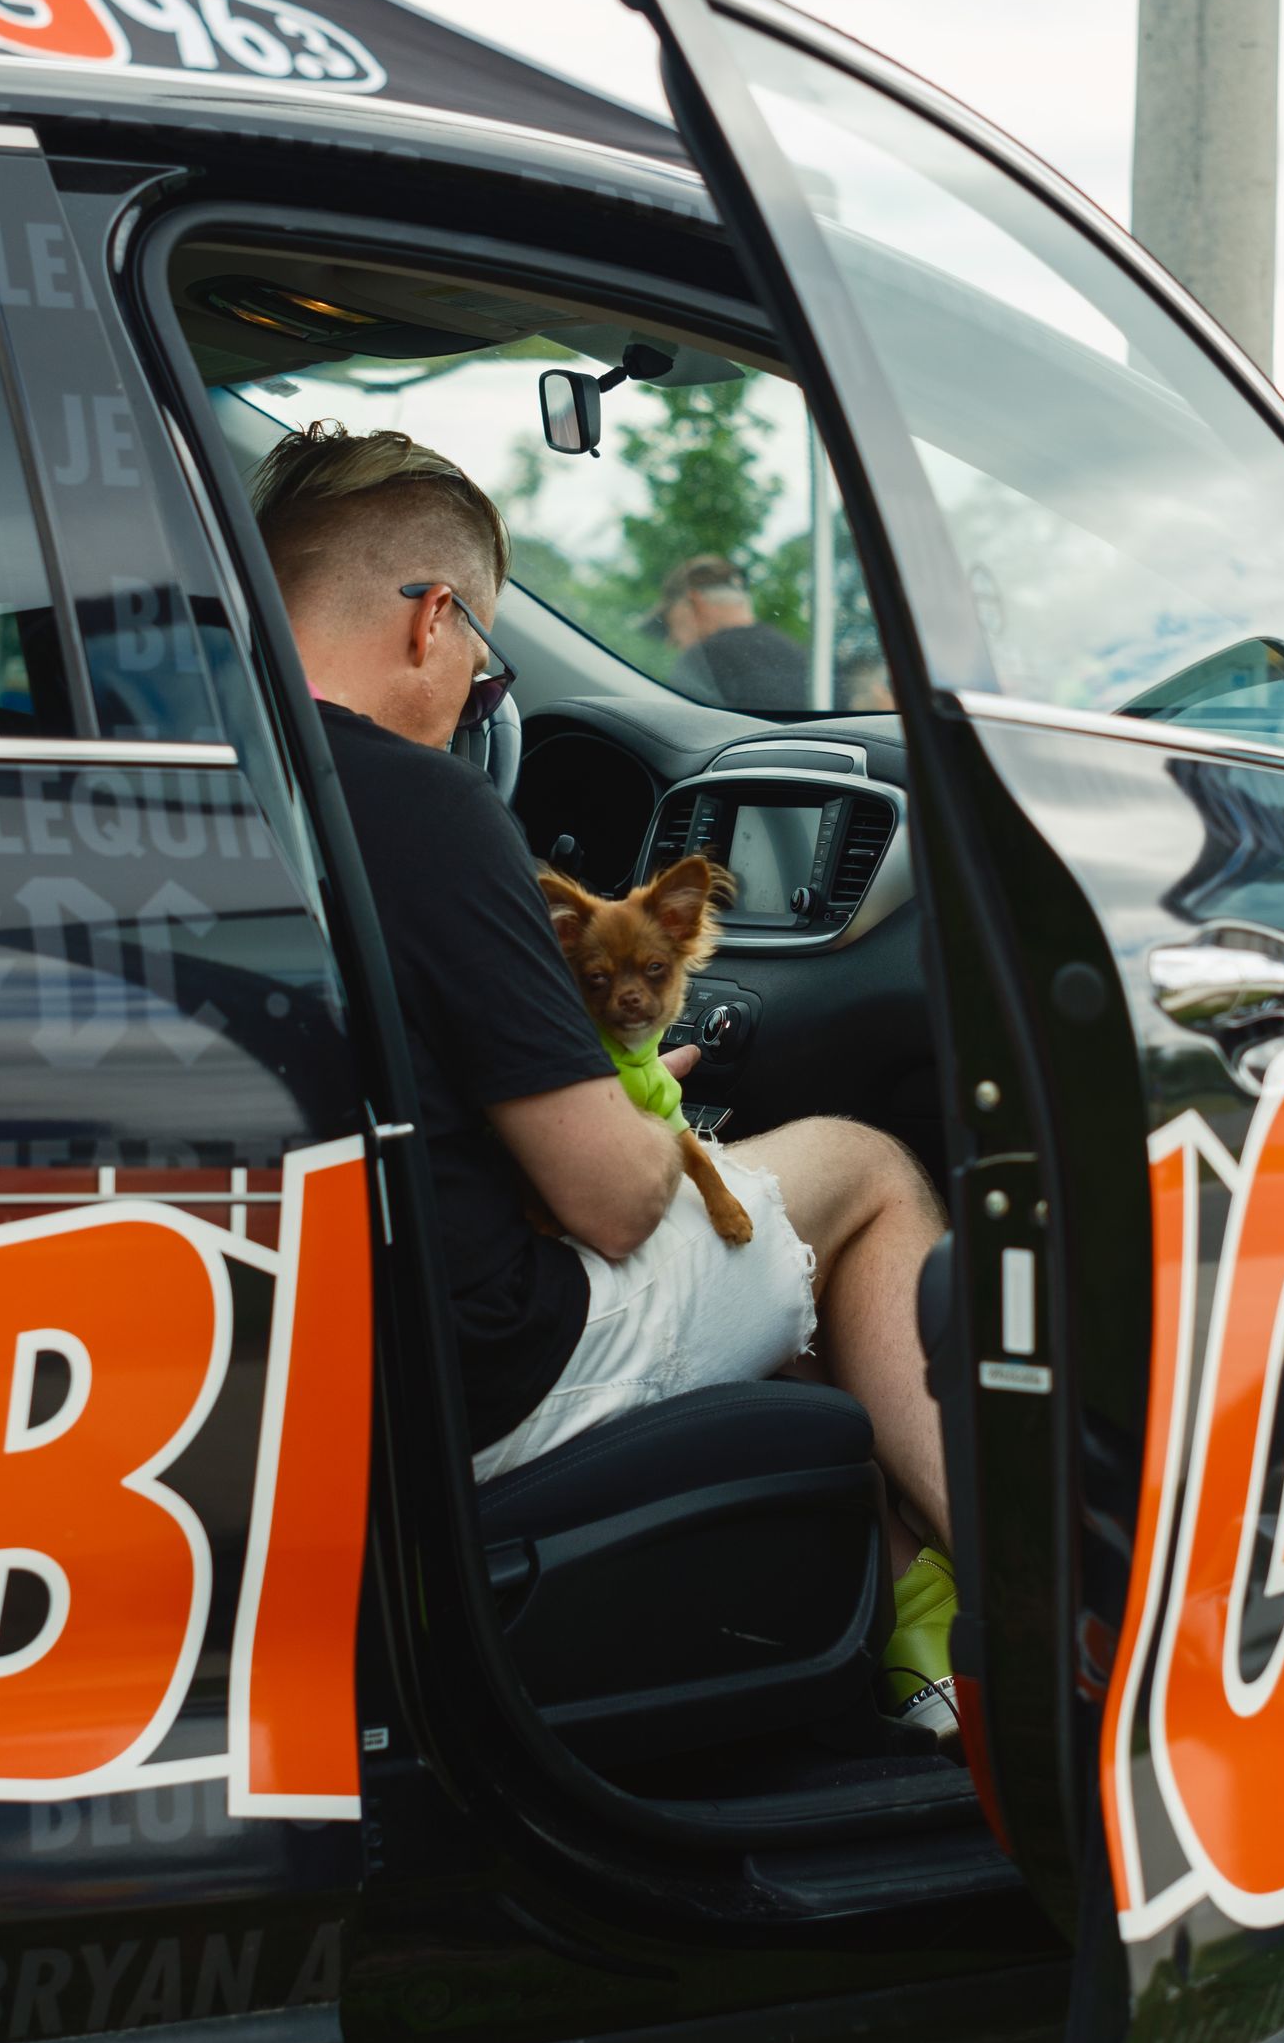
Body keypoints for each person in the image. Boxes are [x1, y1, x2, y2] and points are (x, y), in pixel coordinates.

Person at [252, 425, 961, 1744]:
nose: (475, 692)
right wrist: (648, 1109)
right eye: (482, 655)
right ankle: (1030, 1609)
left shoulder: (209, 785)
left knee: (764, 1250)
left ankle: (886, 1603)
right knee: (860, 1170)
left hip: (326, 1388)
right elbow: (617, 1207)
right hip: (495, 1379)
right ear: (432, 621)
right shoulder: (421, 808)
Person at [647, 554, 810, 714]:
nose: (670, 641)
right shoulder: (808, 660)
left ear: (695, 603)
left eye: (669, 623)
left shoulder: (702, 663)